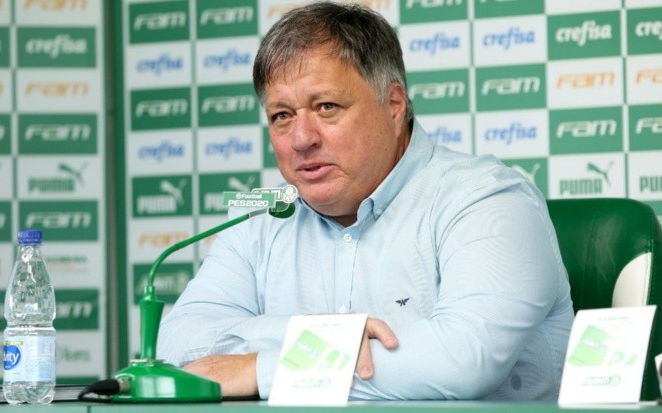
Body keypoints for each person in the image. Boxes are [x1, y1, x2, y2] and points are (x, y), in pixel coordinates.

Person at [157, 1, 574, 401]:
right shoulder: (261, 216)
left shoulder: (486, 198)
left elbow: (464, 358)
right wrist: (321, 335)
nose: (301, 139)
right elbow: (178, 344)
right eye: (281, 115)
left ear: (393, 105)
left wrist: (261, 369)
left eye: (326, 107)